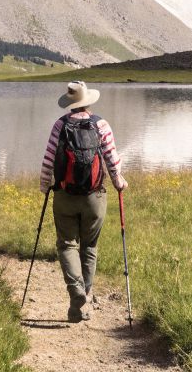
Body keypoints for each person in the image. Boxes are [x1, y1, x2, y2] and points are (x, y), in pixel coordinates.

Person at [40, 81, 128, 322]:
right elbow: (111, 159)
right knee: (89, 247)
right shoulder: (101, 124)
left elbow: (48, 159)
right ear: (88, 101)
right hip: (94, 197)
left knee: (67, 245)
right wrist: (118, 181)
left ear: (70, 103)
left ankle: (75, 292)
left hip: (65, 196)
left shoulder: (60, 125)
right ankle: (82, 302)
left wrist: (45, 185)